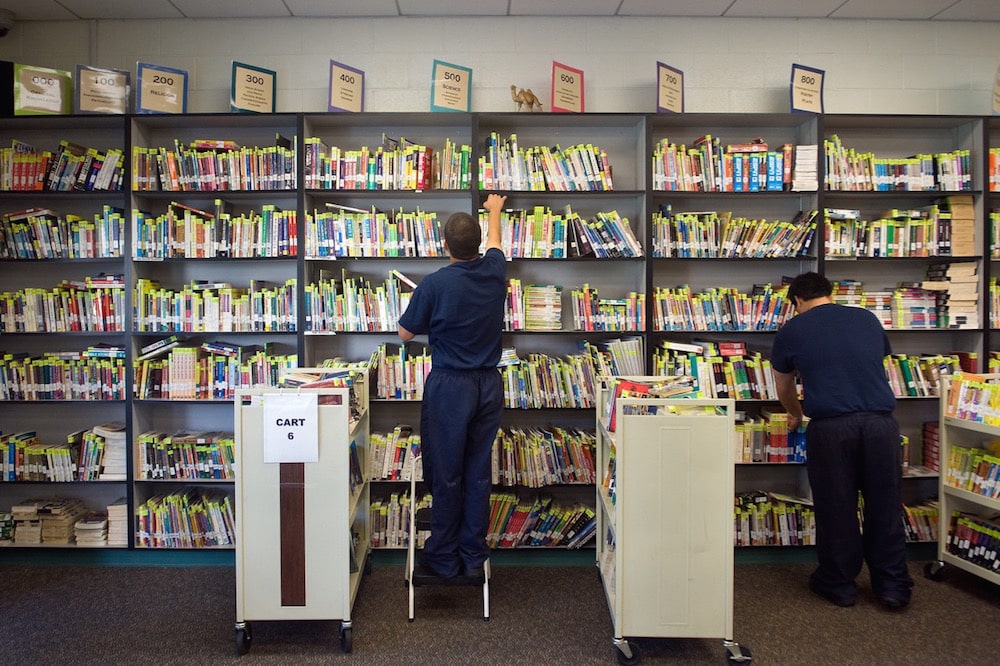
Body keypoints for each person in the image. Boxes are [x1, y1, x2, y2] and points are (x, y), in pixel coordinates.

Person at [770, 271, 913, 610]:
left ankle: (839, 584)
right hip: (881, 425)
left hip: (832, 427)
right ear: (830, 294)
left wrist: (795, 414)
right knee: (885, 505)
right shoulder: (867, 319)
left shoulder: (791, 330)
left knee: (836, 507)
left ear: (797, 301)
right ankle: (892, 587)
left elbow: (783, 386)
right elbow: (875, 364)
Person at [397, 193, 508, 582]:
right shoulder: (495, 270)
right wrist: (494, 210)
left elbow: (405, 332)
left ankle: (443, 556)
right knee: (478, 472)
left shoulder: (433, 285)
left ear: (445, 245)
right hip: (487, 385)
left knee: (445, 472)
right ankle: (473, 556)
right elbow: (496, 242)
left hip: (450, 386)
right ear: (477, 245)